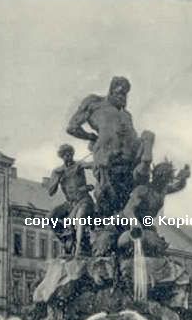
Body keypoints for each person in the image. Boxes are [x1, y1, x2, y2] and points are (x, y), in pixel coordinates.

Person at [66, 76, 154, 216]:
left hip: (128, 166)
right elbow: (72, 127)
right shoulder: (95, 103)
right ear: (111, 90)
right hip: (108, 165)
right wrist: (91, 137)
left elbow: (134, 140)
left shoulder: (127, 116)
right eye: (120, 91)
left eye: (125, 93)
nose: (123, 96)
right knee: (109, 204)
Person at [46, 144, 95, 256]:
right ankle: (66, 239)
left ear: (72, 154)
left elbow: (89, 165)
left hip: (83, 200)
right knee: (50, 217)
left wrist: (96, 160)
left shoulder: (79, 165)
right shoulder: (57, 171)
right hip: (69, 204)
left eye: (70, 153)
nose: (68, 156)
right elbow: (50, 192)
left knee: (80, 218)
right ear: (61, 156)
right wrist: (57, 179)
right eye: (65, 155)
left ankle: (78, 249)